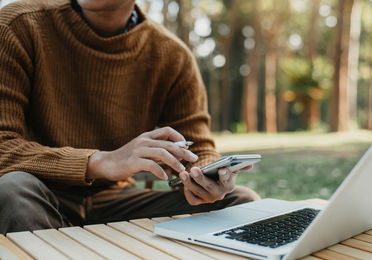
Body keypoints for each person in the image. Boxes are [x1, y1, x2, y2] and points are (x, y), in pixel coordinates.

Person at [0, 0, 260, 234]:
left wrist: (202, 178)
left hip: (114, 200)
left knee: (239, 203)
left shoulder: (172, 56)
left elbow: (199, 147)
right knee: (13, 190)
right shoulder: (20, 24)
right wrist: (101, 161)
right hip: (37, 193)